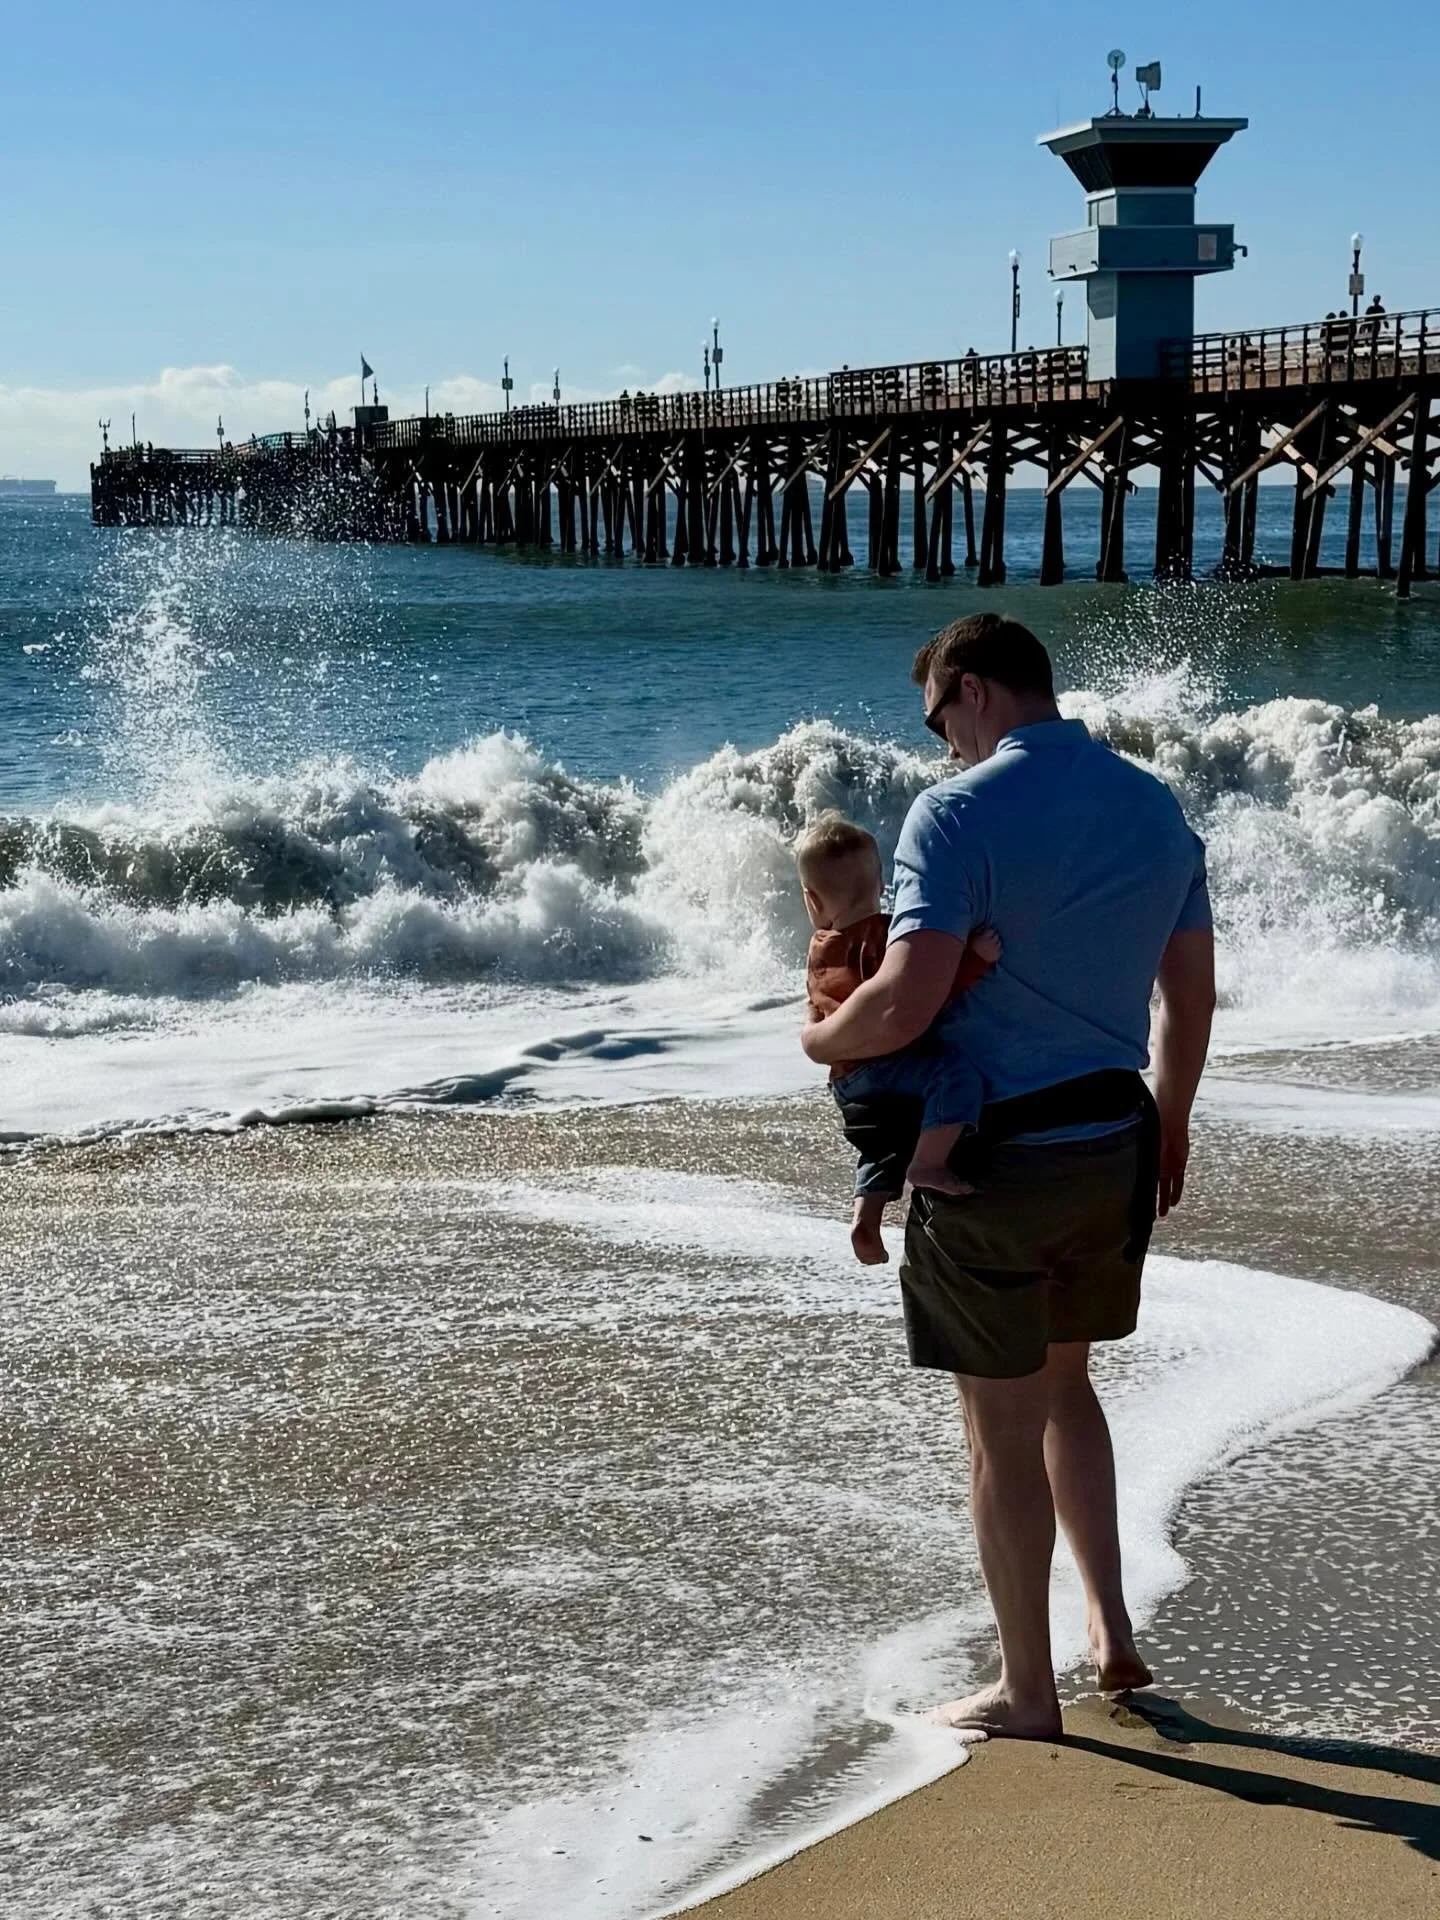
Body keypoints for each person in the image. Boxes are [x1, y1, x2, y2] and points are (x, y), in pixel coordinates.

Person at [801, 612, 1215, 1742]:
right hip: (1113, 1142)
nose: (940, 745)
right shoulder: (1151, 803)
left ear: (974, 690)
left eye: (939, 718)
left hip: (999, 1162)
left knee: (997, 1426)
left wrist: (820, 1042)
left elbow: (907, 997)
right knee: (1068, 1387)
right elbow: (1191, 996)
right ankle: (1110, 1631)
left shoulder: (959, 810)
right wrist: (1170, 1127)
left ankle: (1026, 1692)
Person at [795, 813, 1000, 1264]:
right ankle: (929, 1163)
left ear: (812, 901)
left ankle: (864, 1221)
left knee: (884, 1141)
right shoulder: (883, 936)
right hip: (883, 1066)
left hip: (846, 1080)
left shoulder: (819, 947)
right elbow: (918, 991)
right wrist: (975, 960)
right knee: (956, 1077)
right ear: (882, 879)